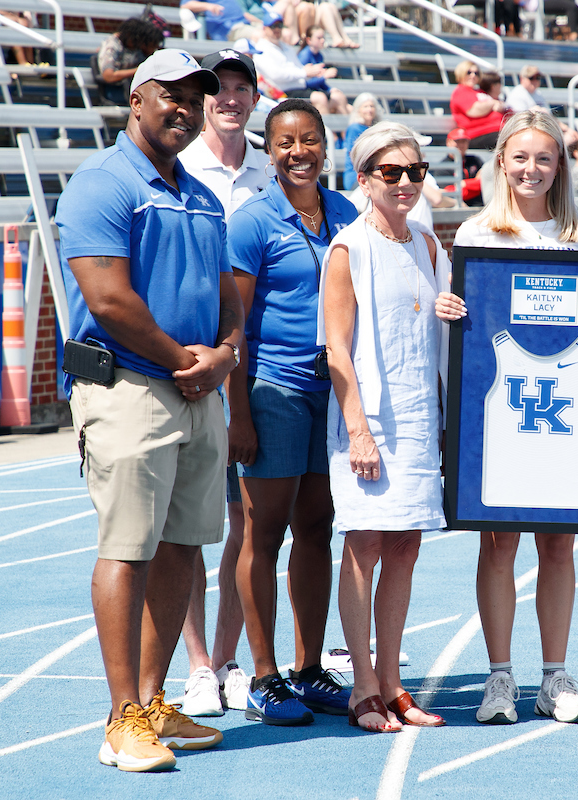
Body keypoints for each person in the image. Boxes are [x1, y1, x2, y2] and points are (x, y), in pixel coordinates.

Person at [55, 48, 236, 772]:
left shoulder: (201, 195)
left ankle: (155, 700)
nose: (187, 107)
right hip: (130, 386)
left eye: (199, 95)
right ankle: (120, 716)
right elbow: (107, 298)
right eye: (173, 94)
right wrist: (184, 360)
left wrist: (222, 355)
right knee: (127, 548)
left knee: (183, 546)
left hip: (193, 387)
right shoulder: (102, 182)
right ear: (137, 99)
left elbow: (229, 297)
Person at [435, 111, 578, 725]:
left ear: (561, 166)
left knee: (558, 544)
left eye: (545, 158)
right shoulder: (476, 235)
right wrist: (447, 308)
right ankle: (500, 677)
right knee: (497, 543)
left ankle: (555, 676)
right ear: (501, 160)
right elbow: (464, 341)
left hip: (564, 420)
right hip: (501, 416)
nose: (532, 169)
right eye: (520, 157)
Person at [227, 98, 359, 726]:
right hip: (273, 390)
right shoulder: (253, 222)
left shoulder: (347, 213)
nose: (298, 152)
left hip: (331, 391)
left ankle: (308, 670)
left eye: (309, 140)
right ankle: (262, 676)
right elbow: (235, 326)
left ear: (325, 146)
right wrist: (239, 414)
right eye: (285, 143)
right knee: (265, 533)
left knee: (317, 529)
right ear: (269, 150)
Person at [320, 121, 451, 733]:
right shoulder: (348, 248)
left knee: (405, 545)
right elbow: (337, 352)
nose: (404, 183)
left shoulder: (428, 244)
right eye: (390, 173)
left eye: (414, 172)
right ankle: (363, 686)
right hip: (370, 420)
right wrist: (360, 431)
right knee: (364, 546)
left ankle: (394, 680)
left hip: (422, 417)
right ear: (365, 179)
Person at [175, 48, 272, 718]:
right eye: (220, 89)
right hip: (190, 364)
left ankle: (231, 657)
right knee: (185, 524)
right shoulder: (178, 165)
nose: (230, 98)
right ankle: (197, 665)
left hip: (260, 366)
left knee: (249, 522)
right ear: (204, 99)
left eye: (242, 88)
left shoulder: (273, 168)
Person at [253, 12, 338, 116]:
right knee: (320, 98)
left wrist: (314, 72)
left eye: (279, 26)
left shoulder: (286, 47)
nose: (277, 29)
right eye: (273, 26)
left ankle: (341, 132)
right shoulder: (261, 49)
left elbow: (299, 69)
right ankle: (326, 132)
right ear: (265, 28)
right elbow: (276, 75)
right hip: (281, 92)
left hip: (298, 87)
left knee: (337, 97)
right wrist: (304, 72)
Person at [95, 17, 164, 105]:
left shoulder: (135, 48)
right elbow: (109, 76)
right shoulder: (112, 46)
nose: (139, 44)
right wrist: (139, 70)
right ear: (129, 36)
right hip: (116, 89)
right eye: (138, 40)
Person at [450, 60, 507, 151]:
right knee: (508, 140)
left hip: (496, 131)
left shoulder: (478, 92)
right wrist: (492, 103)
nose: (473, 75)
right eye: (469, 72)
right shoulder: (460, 91)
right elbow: (474, 110)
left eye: (476, 73)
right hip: (477, 134)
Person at [296, 26, 351, 114]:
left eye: (323, 38)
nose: (322, 40)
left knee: (340, 98)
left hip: (316, 90)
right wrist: (324, 76)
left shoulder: (319, 55)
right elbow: (303, 83)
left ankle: (343, 127)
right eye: (319, 38)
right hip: (306, 92)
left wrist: (329, 89)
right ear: (309, 40)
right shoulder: (304, 56)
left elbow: (320, 82)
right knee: (329, 99)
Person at [342, 92, 384, 189]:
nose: (369, 110)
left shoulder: (377, 128)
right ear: (358, 110)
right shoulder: (354, 128)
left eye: (371, 106)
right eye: (365, 106)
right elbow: (353, 156)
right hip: (357, 176)